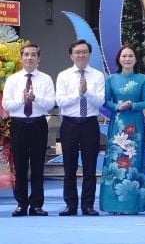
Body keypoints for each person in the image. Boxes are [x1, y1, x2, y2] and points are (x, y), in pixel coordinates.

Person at [2, 43, 55, 217]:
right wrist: (22, 100)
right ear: (21, 57)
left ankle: (37, 205)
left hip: (38, 124)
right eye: (26, 55)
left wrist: (35, 98)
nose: (29, 58)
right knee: (20, 166)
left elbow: (50, 103)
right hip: (18, 125)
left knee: (38, 166)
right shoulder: (13, 80)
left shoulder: (46, 79)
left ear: (39, 59)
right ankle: (21, 204)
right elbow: (6, 104)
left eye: (33, 55)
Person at [99, 44, 145, 214]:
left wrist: (133, 104)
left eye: (130, 56)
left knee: (135, 161)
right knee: (115, 161)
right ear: (119, 59)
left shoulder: (142, 79)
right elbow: (106, 101)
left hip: (135, 124)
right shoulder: (111, 79)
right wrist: (117, 106)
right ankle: (113, 204)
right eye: (124, 56)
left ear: (136, 59)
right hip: (118, 125)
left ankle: (133, 205)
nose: (127, 59)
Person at [55, 39, 105, 216]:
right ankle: (70, 205)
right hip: (69, 123)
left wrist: (87, 93)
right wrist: (78, 95)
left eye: (84, 52)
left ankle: (88, 205)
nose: (81, 55)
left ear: (89, 54)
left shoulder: (98, 76)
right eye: (77, 52)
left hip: (90, 123)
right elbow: (60, 101)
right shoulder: (64, 75)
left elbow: (100, 101)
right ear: (71, 55)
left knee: (90, 167)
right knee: (69, 166)